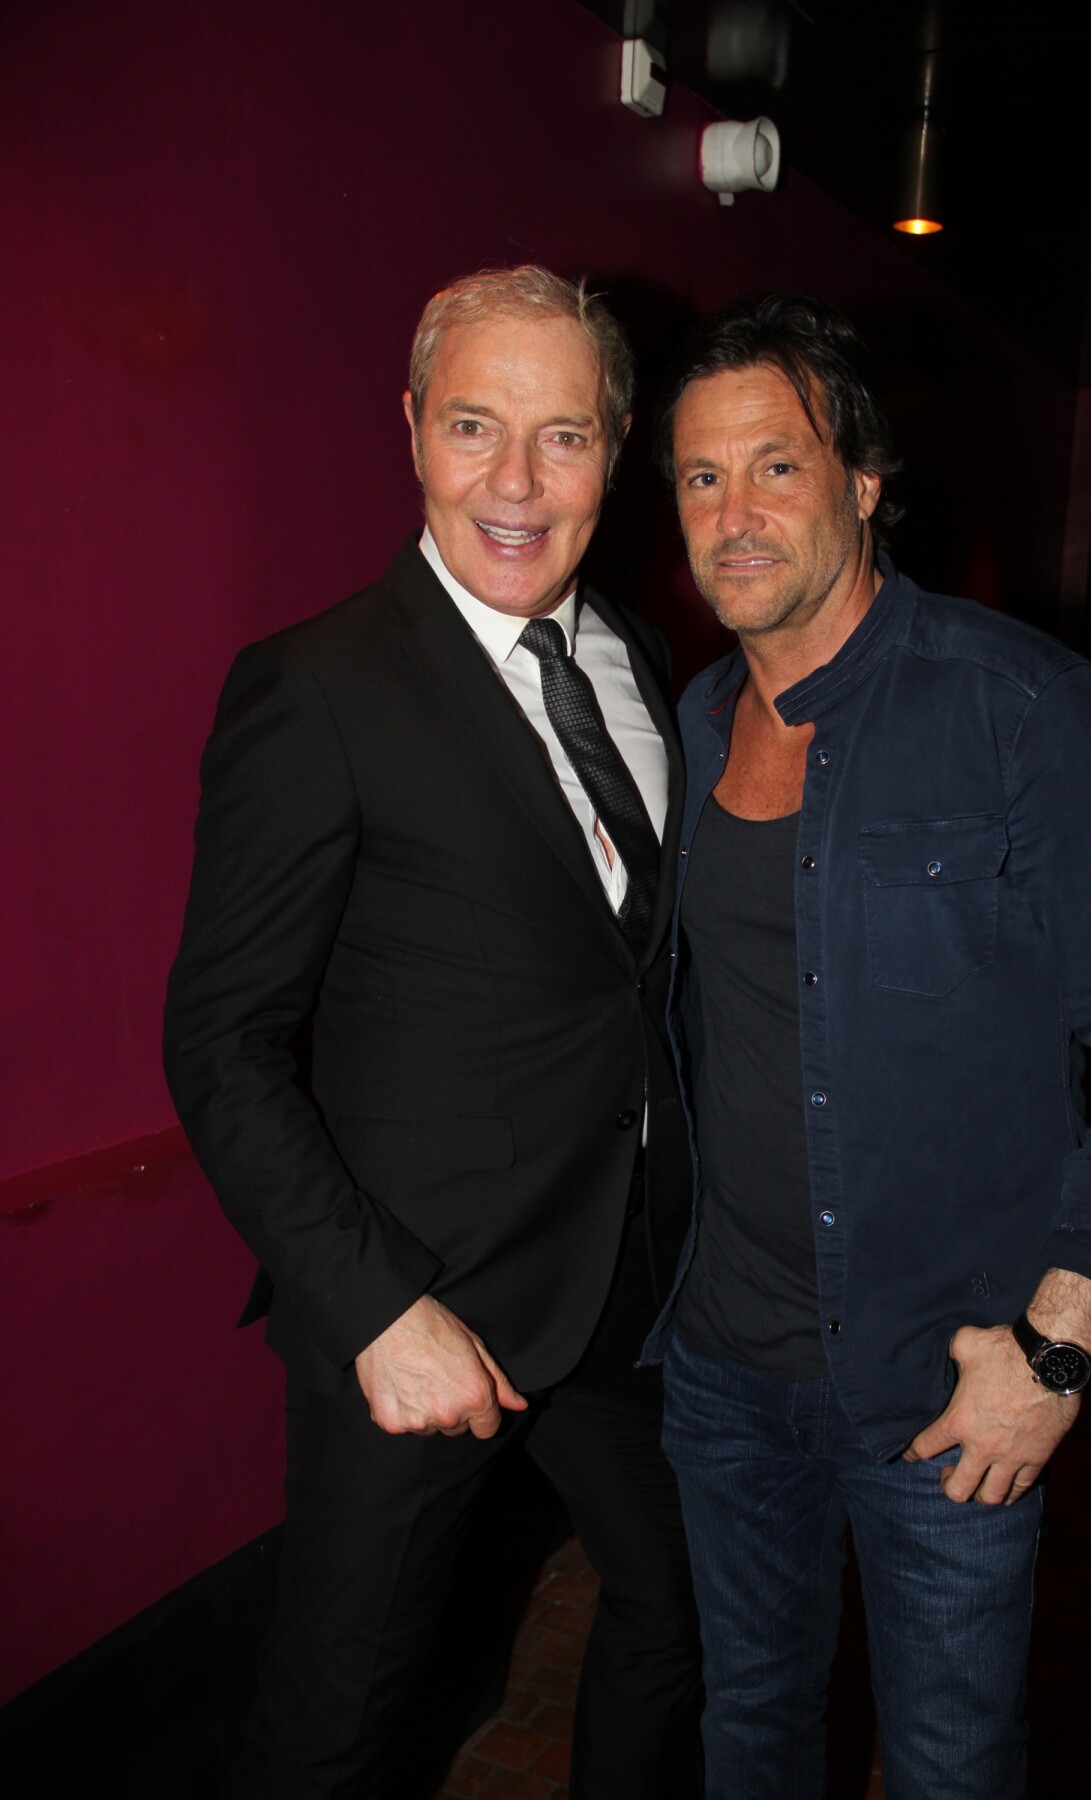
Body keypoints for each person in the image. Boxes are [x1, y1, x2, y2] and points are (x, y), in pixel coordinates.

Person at [644, 290, 1091, 1800]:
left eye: (778, 465)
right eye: (701, 476)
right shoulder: (689, 724)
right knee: (751, 1731)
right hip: (721, 1370)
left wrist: (1057, 1353)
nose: (734, 515)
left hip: (951, 1383)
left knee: (954, 1765)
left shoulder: (1020, 708)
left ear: (867, 481)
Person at [164, 265, 702, 1800]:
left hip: (628, 1289)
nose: (515, 483)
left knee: (686, 1617)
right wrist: (378, 1310)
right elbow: (219, 1039)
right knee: (336, 1730)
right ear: (410, 429)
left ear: (616, 449)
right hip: (420, 1306)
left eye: (564, 435)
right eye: (474, 426)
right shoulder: (314, 688)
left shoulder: (642, 664)